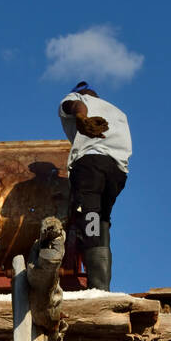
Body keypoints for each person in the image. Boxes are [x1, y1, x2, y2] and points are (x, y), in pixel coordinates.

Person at [59, 81, 132, 291]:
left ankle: (97, 288)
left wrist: (81, 117)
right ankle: (103, 285)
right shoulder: (117, 111)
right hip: (117, 173)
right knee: (102, 220)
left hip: (91, 166)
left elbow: (74, 106)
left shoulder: (76, 99)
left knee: (89, 218)